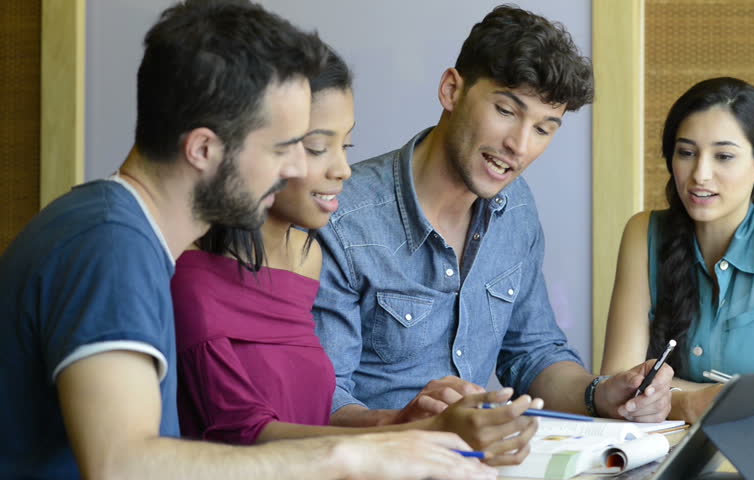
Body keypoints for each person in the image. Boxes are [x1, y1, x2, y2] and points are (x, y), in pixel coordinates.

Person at [0, 1, 496, 479]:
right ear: (204, 149)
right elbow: (123, 466)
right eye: (284, 148)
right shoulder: (109, 248)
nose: (297, 169)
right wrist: (350, 459)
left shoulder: (121, 232)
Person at [312, 4, 674, 434]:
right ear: (451, 90)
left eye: (544, 128)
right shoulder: (342, 220)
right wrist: (406, 425)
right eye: (506, 110)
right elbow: (319, 401)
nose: (519, 146)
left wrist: (601, 393)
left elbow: (532, 352)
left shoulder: (515, 208)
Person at [172, 48, 538, 465]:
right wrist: (422, 433)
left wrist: (402, 420)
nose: (344, 169)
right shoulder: (192, 282)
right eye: (316, 147)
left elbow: (315, 418)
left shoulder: (305, 255)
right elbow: (247, 439)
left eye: (345, 146)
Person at [601, 77, 754, 424]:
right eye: (687, 153)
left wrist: (714, 401)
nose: (700, 174)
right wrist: (694, 403)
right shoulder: (643, 233)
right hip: (666, 453)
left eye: (724, 156)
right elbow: (618, 386)